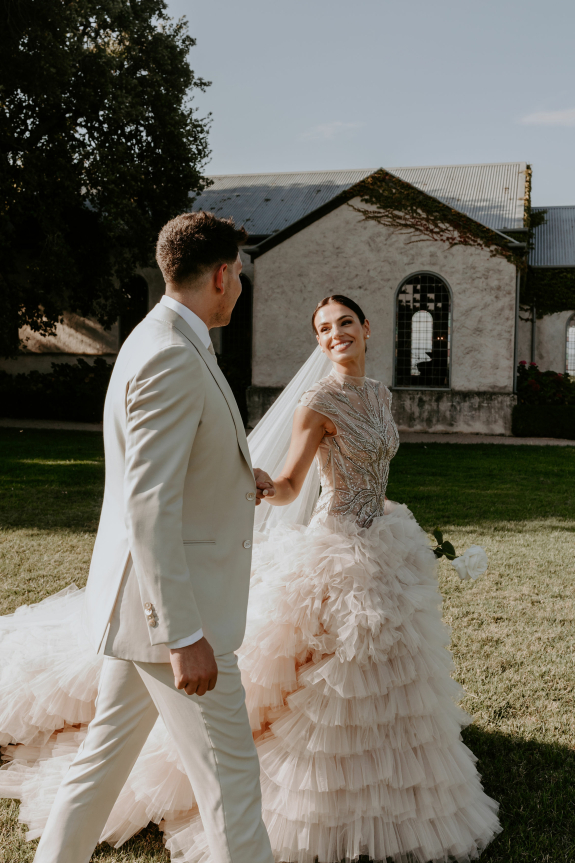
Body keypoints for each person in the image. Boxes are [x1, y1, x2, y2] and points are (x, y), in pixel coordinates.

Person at [0, 293, 501, 863]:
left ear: (366, 327)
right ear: (318, 342)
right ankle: (322, 798)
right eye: (323, 328)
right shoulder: (318, 402)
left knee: (393, 673)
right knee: (330, 678)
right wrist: (262, 485)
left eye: (344, 323)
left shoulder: (380, 394)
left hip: (384, 537)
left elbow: (375, 468)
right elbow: (291, 483)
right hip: (338, 545)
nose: (335, 334)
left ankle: (396, 788)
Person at [0, 210, 276, 863]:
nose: (239, 288)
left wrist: (236, 476)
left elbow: (166, 468)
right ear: (221, 274)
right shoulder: (172, 354)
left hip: (141, 608)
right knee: (232, 782)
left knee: (100, 762)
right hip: (174, 615)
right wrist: (182, 634)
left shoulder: (161, 337)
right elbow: (147, 506)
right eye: (239, 275)